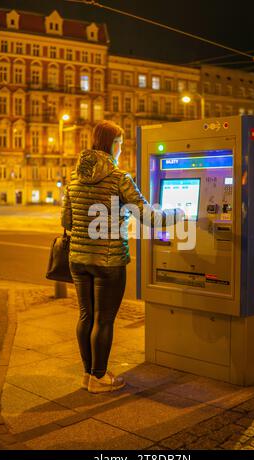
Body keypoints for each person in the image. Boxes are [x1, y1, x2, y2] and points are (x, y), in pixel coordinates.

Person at [61, 120, 184, 394]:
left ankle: (88, 375)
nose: (121, 149)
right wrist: (179, 213)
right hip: (109, 261)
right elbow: (150, 217)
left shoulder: (73, 176)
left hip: (78, 259)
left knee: (85, 317)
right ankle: (100, 377)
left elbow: (66, 218)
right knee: (104, 320)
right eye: (121, 144)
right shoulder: (120, 178)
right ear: (114, 145)